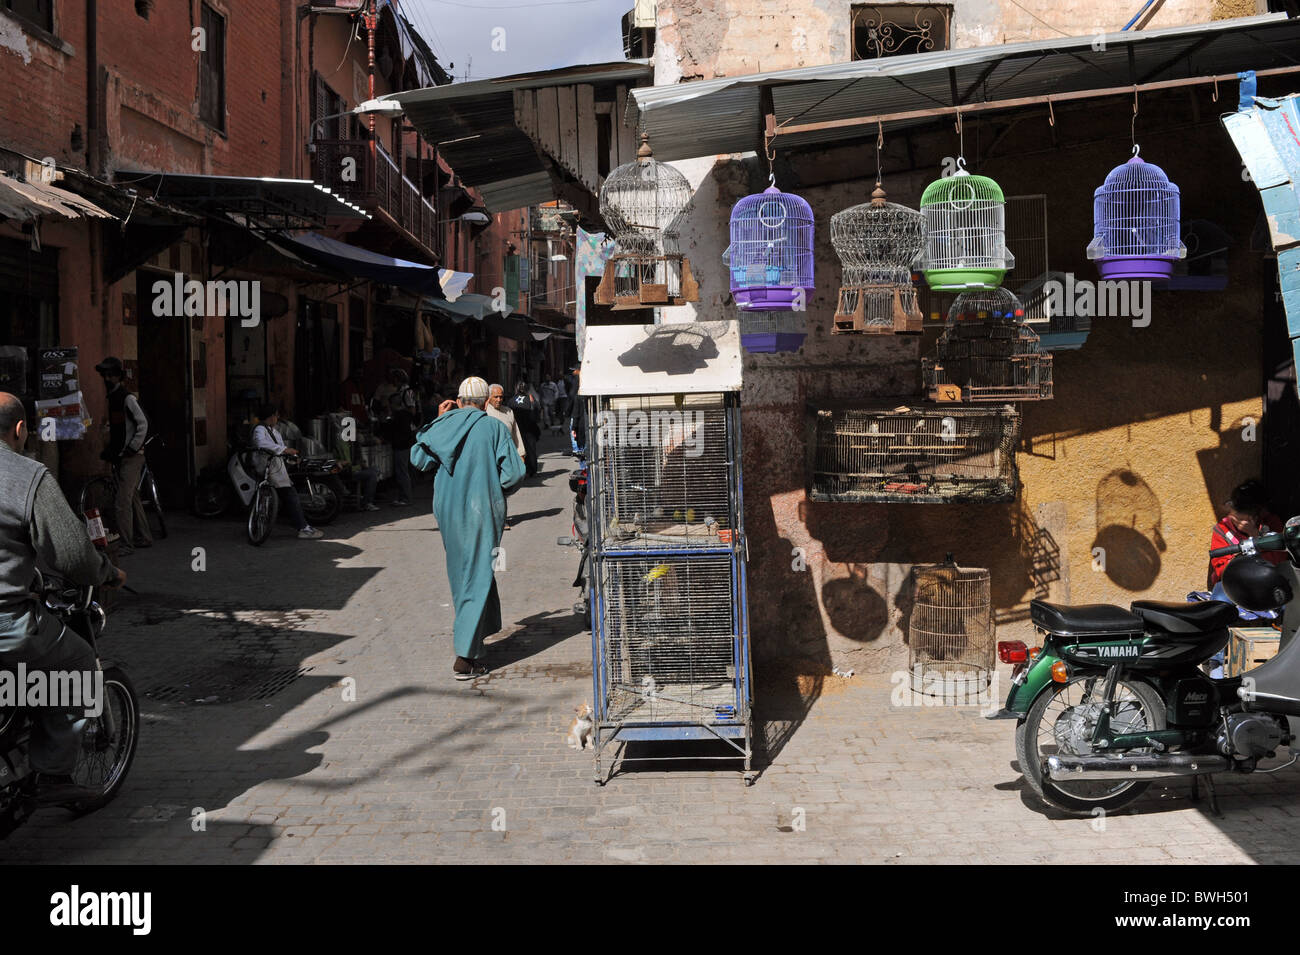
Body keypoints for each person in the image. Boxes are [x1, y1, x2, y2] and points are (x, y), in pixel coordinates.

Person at [0, 392, 126, 804]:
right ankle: (53, 774)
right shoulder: (27, 477)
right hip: (8, 625)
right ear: (20, 430)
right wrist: (107, 573)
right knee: (77, 665)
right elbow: (73, 555)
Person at [410, 377, 525, 680]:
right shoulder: (494, 427)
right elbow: (514, 474)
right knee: (476, 574)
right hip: (481, 510)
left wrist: (438, 420)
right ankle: (466, 656)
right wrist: (492, 488)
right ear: (486, 402)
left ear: (459, 400)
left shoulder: (442, 425)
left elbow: (418, 460)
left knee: (465, 572)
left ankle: (477, 636)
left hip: (448, 511)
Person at [93, 356, 152, 556]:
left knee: (122, 501)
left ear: (118, 376)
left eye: (111, 375)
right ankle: (144, 537)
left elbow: (143, 424)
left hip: (132, 457)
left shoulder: (127, 398)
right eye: (105, 375)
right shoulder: (113, 399)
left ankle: (127, 544)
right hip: (122, 455)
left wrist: (133, 447)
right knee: (132, 497)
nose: (107, 379)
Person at [252, 403, 323, 540]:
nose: (277, 418)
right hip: (268, 467)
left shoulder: (274, 431)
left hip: (276, 467)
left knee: (286, 496)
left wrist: (292, 457)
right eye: (276, 415)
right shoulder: (260, 430)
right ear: (271, 416)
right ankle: (303, 527)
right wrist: (285, 450)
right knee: (290, 495)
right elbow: (261, 444)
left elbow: (280, 449)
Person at [1208, 479, 1287, 588]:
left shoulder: (1271, 522)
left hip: (1266, 579)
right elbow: (1220, 570)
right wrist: (1239, 558)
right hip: (1233, 583)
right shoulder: (1222, 529)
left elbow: (1279, 560)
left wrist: (1253, 534)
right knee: (1220, 600)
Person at [372, 367, 418, 507]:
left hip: (404, 437)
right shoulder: (401, 392)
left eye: (394, 380)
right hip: (404, 436)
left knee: (402, 469)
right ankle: (403, 496)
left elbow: (412, 411)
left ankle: (406, 497)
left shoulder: (406, 392)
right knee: (402, 468)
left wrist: (395, 412)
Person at [510, 379, 542, 478]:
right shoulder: (531, 400)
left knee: (517, 449)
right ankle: (531, 469)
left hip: (517, 429)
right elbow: (537, 415)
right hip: (529, 428)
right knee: (530, 449)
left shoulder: (511, 400)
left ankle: (519, 470)